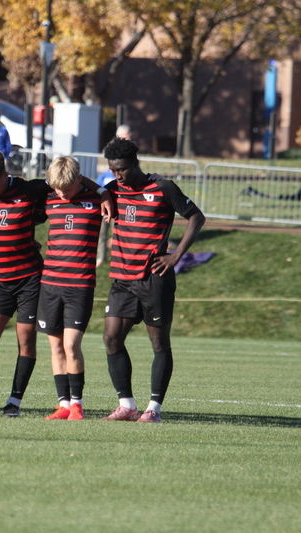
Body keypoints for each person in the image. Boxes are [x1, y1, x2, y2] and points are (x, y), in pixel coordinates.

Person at [0, 151, 111, 417]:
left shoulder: (32, 189)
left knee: (26, 340)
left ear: (6, 175)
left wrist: (103, 191)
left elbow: (67, 180)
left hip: (31, 280)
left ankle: (14, 403)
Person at [101, 137, 205, 423]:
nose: (118, 175)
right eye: (112, 170)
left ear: (135, 163)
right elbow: (88, 186)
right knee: (111, 338)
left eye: (122, 169)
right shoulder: (111, 189)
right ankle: (127, 405)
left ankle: (154, 409)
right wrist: (100, 193)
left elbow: (196, 217)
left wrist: (176, 256)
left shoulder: (162, 187)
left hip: (154, 278)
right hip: (122, 278)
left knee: (158, 343)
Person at [36, 157, 104, 421]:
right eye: (57, 189)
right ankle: (63, 404)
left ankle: (77, 404)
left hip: (80, 285)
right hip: (50, 284)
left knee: (71, 345)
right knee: (55, 348)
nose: (61, 194)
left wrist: (103, 191)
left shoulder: (96, 200)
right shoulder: (50, 198)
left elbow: (105, 192)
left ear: (79, 180)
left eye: (66, 188)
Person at [96, 124, 131, 267]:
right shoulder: (106, 175)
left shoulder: (131, 153)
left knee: (121, 233)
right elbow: (99, 183)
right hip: (105, 205)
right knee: (102, 233)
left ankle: (120, 259)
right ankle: (101, 257)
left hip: (122, 206)